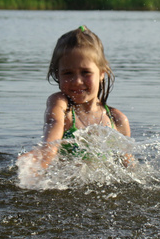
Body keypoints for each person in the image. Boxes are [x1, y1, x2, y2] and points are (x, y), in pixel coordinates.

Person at [19, 25, 132, 172]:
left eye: (86, 72)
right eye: (68, 73)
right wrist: (47, 151)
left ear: (102, 73)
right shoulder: (61, 106)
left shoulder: (117, 120)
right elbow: (54, 123)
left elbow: (128, 164)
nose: (77, 81)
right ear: (57, 74)